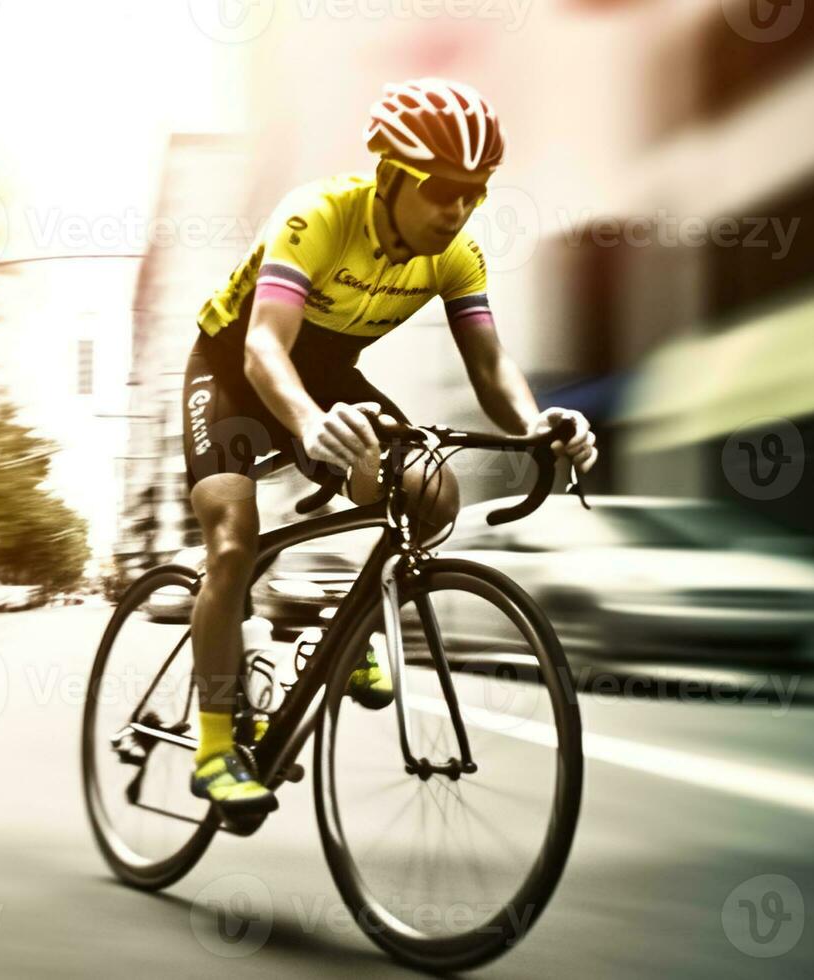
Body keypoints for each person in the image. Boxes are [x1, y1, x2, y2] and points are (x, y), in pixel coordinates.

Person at [182, 78, 599, 816]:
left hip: (328, 374)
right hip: (233, 373)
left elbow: (489, 365)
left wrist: (535, 425)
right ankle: (216, 746)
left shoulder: (456, 256)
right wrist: (309, 424)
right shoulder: (315, 218)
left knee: (431, 493)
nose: (459, 208)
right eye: (442, 188)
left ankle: (341, 639)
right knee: (230, 546)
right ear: (389, 176)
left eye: (475, 192)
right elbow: (263, 351)